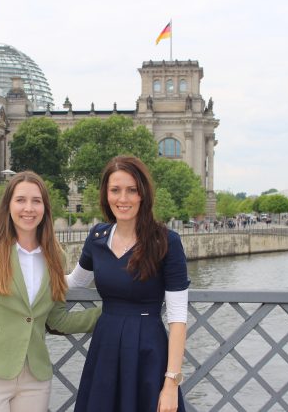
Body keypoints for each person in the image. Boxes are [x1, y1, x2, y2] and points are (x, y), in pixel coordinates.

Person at [0, 171, 101, 412]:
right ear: (8, 205)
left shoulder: (55, 256)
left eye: (36, 201)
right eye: (21, 200)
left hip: (34, 378)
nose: (29, 208)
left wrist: (109, 312)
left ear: (45, 208)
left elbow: (57, 318)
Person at [67, 155, 190, 412]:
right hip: (106, 347)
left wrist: (171, 383)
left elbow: (178, 317)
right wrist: (25, 273)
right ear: (106, 194)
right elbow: (73, 282)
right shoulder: (97, 238)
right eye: (115, 190)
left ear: (143, 194)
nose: (123, 199)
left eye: (131, 190)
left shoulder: (166, 242)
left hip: (147, 350)